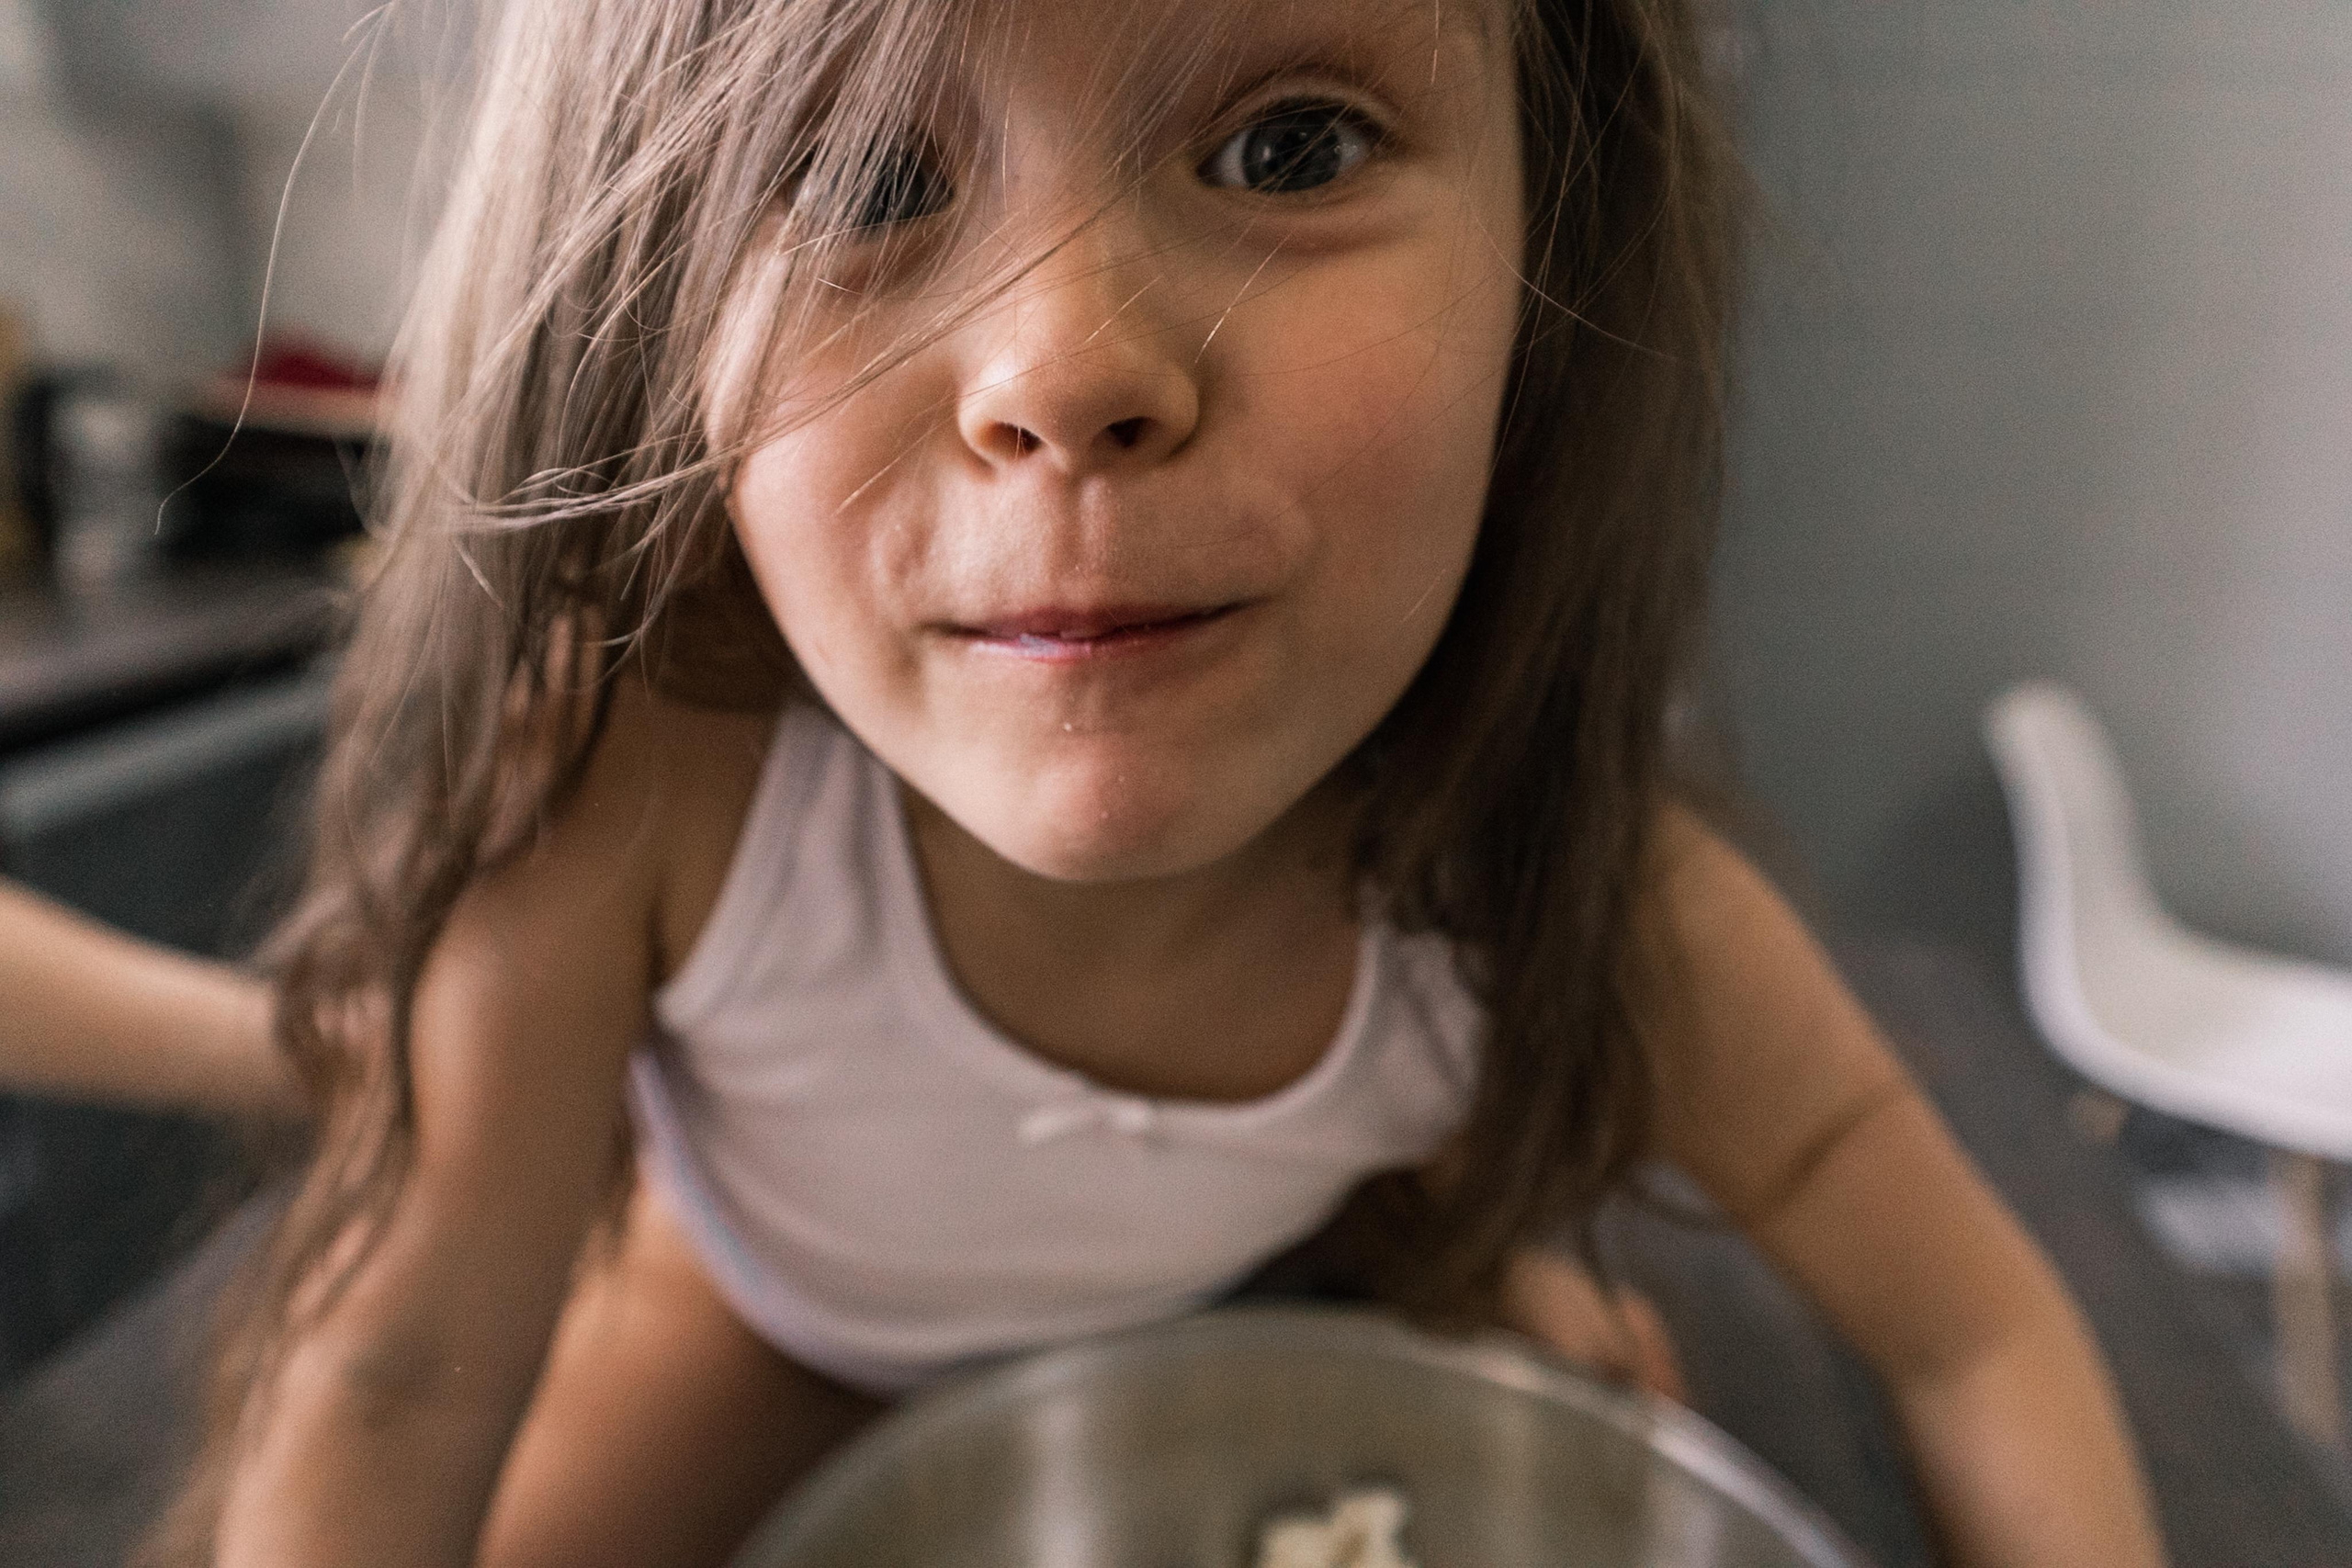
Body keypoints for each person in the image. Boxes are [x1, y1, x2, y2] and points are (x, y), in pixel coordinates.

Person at [0, 0, 2165, 1563]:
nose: (1069, 373)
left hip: (1302, 1266)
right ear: (658, 310)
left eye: (1290, 143)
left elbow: (1972, 1325)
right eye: (863, 179)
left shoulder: (1580, 888)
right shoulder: (638, 784)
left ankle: (1442, 1240)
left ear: (1552, 257)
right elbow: (390, 1384)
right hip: (779, 1316)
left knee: (1532, 1309)